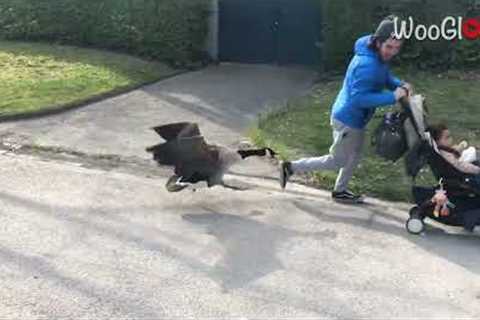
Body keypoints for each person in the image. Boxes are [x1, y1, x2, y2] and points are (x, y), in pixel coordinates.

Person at [279, 15, 412, 203]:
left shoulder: (375, 55)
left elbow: (384, 77)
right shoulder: (367, 65)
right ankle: (290, 167)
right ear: (378, 41)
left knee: (355, 155)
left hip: (354, 118)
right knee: (338, 160)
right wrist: (393, 96)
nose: (392, 52)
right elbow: (359, 98)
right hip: (348, 119)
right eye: (389, 47)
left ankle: (340, 191)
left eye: (397, 48)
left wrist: (400, 85)